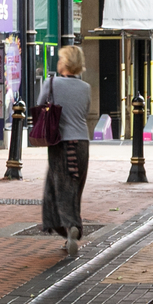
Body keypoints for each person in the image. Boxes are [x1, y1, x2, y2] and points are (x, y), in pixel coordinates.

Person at [39, 45, 94, 253]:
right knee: (74, 188)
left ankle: (70, 227)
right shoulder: (85, 88)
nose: (58, 62)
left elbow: (39, 105)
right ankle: (72, 227)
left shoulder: (51, 83)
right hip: (81, 143)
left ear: (66, 62)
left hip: (60, 143)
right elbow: (85, 112)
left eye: (61, 58)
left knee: (58, 188)